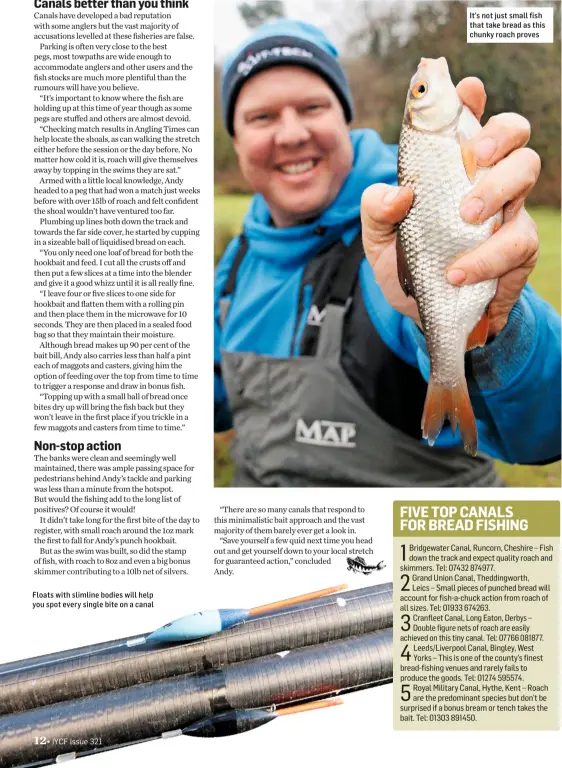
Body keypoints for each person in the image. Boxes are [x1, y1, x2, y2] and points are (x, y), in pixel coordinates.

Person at [214, 20, 560, 487]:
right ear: (234, 140)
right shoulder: (237, 263)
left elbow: (546, 430)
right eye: (262, 117)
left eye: (312, 107)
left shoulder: (398, 227)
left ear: (345, 116)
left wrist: (499, 327)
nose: (292, 134)